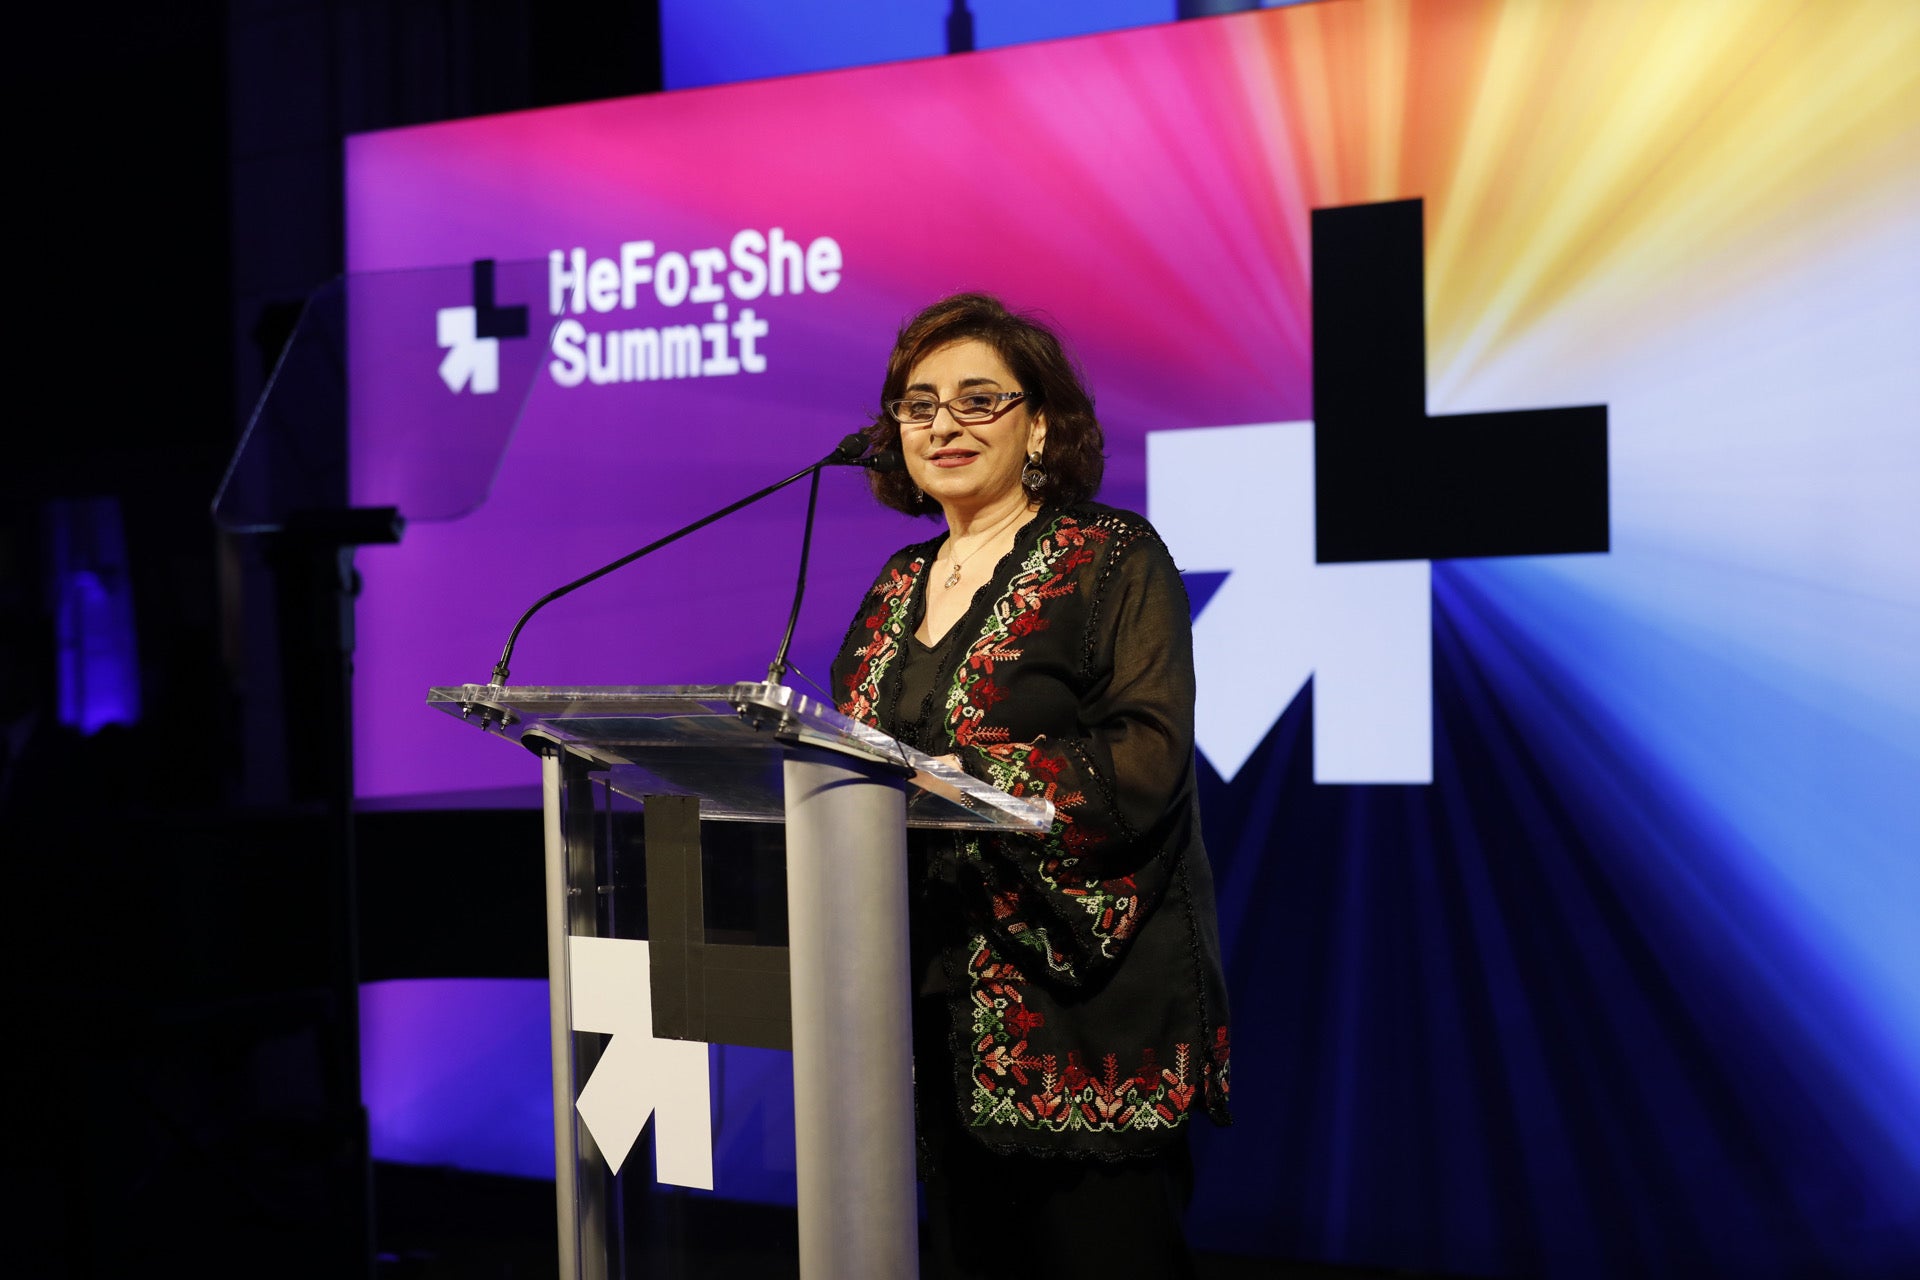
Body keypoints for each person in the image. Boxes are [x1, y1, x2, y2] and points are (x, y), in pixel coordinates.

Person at [829, 293, 1231, 1278]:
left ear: (1041, 422)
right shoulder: (894, 583)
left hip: (1081, 1008)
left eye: (978, 400)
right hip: (926, 997)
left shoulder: (1111, 558)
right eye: (917, 405)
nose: (942, 425)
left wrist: (965, 777)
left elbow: (1147, 756)